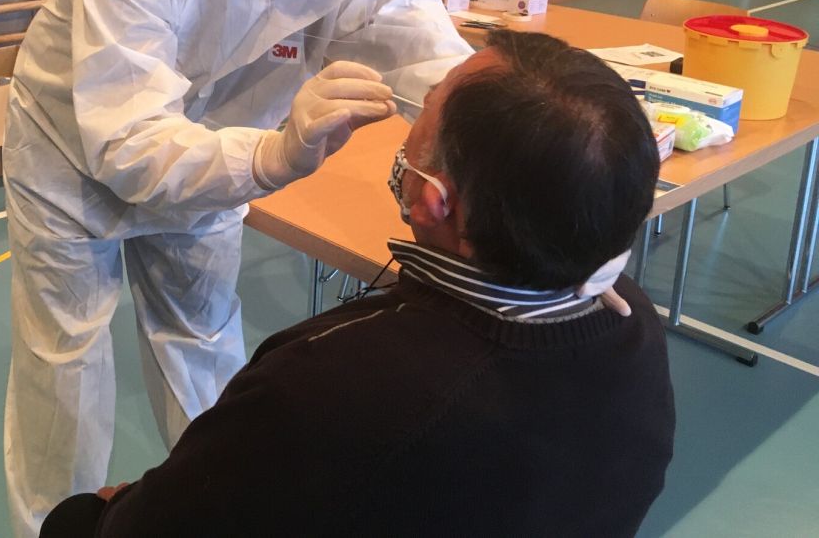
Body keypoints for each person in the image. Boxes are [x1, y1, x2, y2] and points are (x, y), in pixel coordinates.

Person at [2, 0, 474, 536]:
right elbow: (127, 140)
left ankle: (215, 518)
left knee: (202, 342)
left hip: (219, 156)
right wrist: (272, 159)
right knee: (65, 358)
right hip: (71, 154)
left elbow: (441, 65)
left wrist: (550, 179)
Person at [40, 31, 676, 538]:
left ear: (432, 201)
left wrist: (106, 511)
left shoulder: (331, 381)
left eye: (427, 107)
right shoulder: (635, 323)